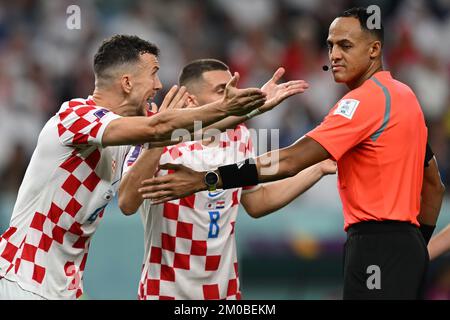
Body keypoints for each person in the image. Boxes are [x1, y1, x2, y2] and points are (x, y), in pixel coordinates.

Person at [139, 8, 440, 299]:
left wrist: (205, 180)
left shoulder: (363, 102)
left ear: (374, 50)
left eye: (346, 46)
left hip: (375, 246)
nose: (334, 55)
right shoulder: (405, 97)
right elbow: (434, 187)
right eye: (330, 45)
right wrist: (414, 247)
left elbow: (288, 160)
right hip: (404, 246)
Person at [0, 34, 268, 300]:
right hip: (23, 278)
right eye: (153, 74)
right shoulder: (75, 116)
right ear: (127, 82)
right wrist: (225, 108)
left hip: (63, 286)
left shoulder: (128, 131)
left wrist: (260, 104)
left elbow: (191, 128)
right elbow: (162, 127)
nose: (159, 84)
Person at [119, 58, 335, 300]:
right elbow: (127, 203)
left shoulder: (239, 136)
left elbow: (256, 201)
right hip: (165, 292)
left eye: (234, 87)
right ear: (191, 99)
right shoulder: (158, 139)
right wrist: (158, 143)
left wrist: (318, 169)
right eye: (222, 90)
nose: (233, 95)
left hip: (225, 293)